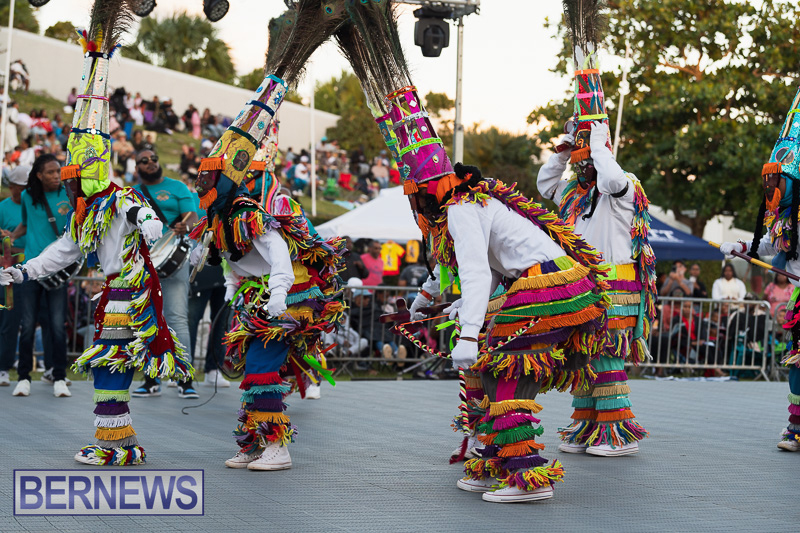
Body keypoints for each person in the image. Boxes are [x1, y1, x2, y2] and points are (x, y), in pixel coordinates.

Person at [338, 3, 612, 500]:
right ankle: (495, 460)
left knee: (499, 365)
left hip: (551, 286)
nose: (413, 201)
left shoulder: (463, 208)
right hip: (549, 284)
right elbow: (461, 271)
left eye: (414, 192)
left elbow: (477, 275)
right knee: (490, 368)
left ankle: (526, 475)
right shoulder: (461, 207)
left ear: (428, 189)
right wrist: (424, 304)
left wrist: (466, 332)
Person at [1, 18, 192, 465]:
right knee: (112, 361)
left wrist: (146, 221)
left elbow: (141, 216)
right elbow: (62, 252)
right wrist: (22, 272)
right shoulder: (87, 214)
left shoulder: (118, 199)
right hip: (116, 291)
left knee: (111, 362)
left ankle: (112, 445)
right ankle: (121, 441)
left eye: (73, 179)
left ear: (87, 175)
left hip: (130, 290)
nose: (68, 186)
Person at [190, 68, 345, 471]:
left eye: (208, 175)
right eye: (201, 174)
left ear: (227, 180)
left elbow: (279, 257)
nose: (201, 181)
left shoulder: (248, 212)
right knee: (253, 369)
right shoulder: (217, 217)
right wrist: (231, 285)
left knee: (262, 367)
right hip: (256, 295)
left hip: (289, 295)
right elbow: (231, 258)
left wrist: (277, 296)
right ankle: (254, 443)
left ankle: (278, 447)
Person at [538, 102, 656, 460]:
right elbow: (545, 185)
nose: (582, 167)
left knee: (605, 354)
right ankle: (588, 424)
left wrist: (599, 141)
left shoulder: (624, 187)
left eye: (587, 161)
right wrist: (563, 151)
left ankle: (617, 432)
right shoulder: (573, 193)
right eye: (579, 162)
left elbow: (612, 178)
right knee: (583, 354)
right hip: (583, 285)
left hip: (615, 287)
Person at [718, 82, 800, 452]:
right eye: (767, 178)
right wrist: (740, 246)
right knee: (798, 364)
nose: (768, 185)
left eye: (775, 178)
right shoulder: (783, 216)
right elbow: (768, 244)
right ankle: (796, 427)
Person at [131, 149, 198, 399]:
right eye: (144, 161)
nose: (150, 163)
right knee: (149, 319)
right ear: (137, 167)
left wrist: (185, 225)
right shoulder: (133, 193)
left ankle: (185, 379)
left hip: (174, 259)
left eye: (154, 159)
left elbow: (192, 216)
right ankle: (151, 379)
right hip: (144, 262)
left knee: (177, 318)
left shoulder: (177, 187)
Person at [6, 155, 71, 398]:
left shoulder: (68, 194)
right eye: (51, 172)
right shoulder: (26, 196)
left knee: (57, 326)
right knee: (27, 326)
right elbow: (26, 223)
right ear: (39, 175)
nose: (56, 175)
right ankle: (23, 378)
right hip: (31, 270)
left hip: (58, 270)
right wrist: (13, 236)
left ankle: (60, 377)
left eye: (58, 171)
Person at [0, 165, 29, 386]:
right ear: (12, 187)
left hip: (32, 271)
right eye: (23, 187)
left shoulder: (36, 207)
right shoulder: (3, 208)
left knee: (27, 321)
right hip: (7, 272)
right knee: (7, 320)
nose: (27, 191)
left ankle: (51, 369)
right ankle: (3, 368)